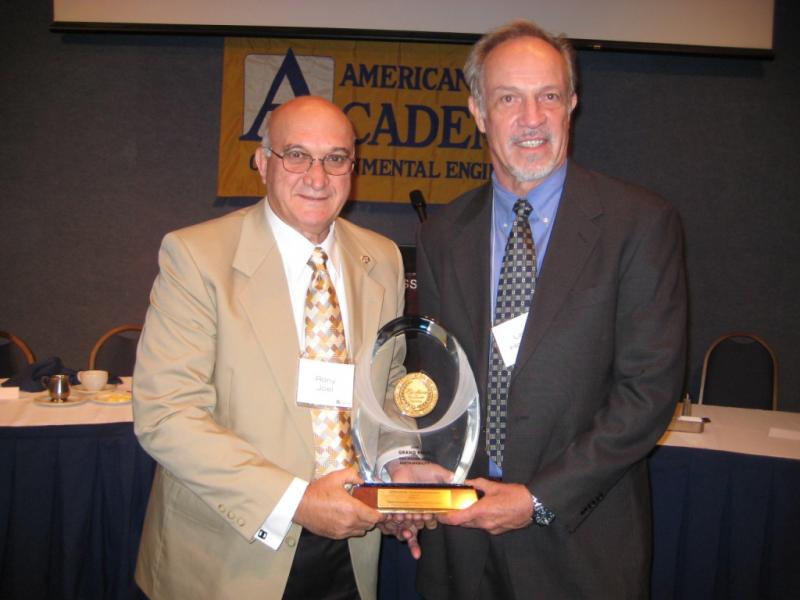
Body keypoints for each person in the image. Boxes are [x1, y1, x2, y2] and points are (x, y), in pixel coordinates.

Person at [413, 20, 687, 599]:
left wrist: (537, 499)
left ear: (572, 105)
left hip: (581, 546)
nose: (531, 118)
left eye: (549, 96)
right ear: (479, 112)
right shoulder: (444, 233)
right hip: (461, 546)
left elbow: (648, 393)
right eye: (509, 98)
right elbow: (434, 377)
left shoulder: (638, 223)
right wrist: (415, 471)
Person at [132, 96, 406, 600]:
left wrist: (397, 470)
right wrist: (298, 501)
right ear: (262, 163)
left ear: (354, 168)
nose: (317, 177)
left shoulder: (382, 258)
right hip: (229, 551)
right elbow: (165, 414)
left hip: (352, 546)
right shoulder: (197, 257)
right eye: (296, 155)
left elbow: (385, 388)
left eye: (336, 158)